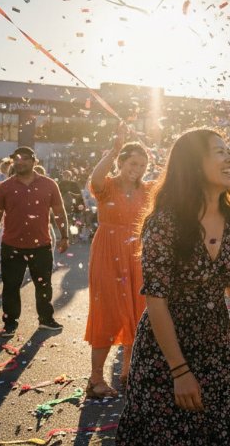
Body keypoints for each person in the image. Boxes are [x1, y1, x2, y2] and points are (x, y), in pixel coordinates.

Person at [116, 129, 230, 445]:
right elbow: (156, 300)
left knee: (219, 432)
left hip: (216, 348)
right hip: (164, 350)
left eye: (229, 151)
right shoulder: (164, 221)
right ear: (194, 163)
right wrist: (179, 371)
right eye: (219, 152)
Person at [83, 128, 153, 399]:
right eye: (133, 163)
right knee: (108, 312)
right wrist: (113, 151)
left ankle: (128, 372)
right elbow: (95, 178)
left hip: (137, 254)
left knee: (138, 310)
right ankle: (96, 379)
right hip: (108, 252)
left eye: (143, 165)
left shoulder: (148, 190)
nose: (138, 169)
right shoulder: (107, 186)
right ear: (121, 162)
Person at [0, 147, 70, 335]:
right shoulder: (4, 187)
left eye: (25, 158)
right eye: (16, 159)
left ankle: (46, 320)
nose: (20, 162)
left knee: (44, 285)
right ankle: (10, 324)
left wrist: (65, 236)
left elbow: (59, 211)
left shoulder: (49, 184)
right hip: (11, 245)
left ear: (34, 161)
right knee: (11, 286)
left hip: (41, 245)